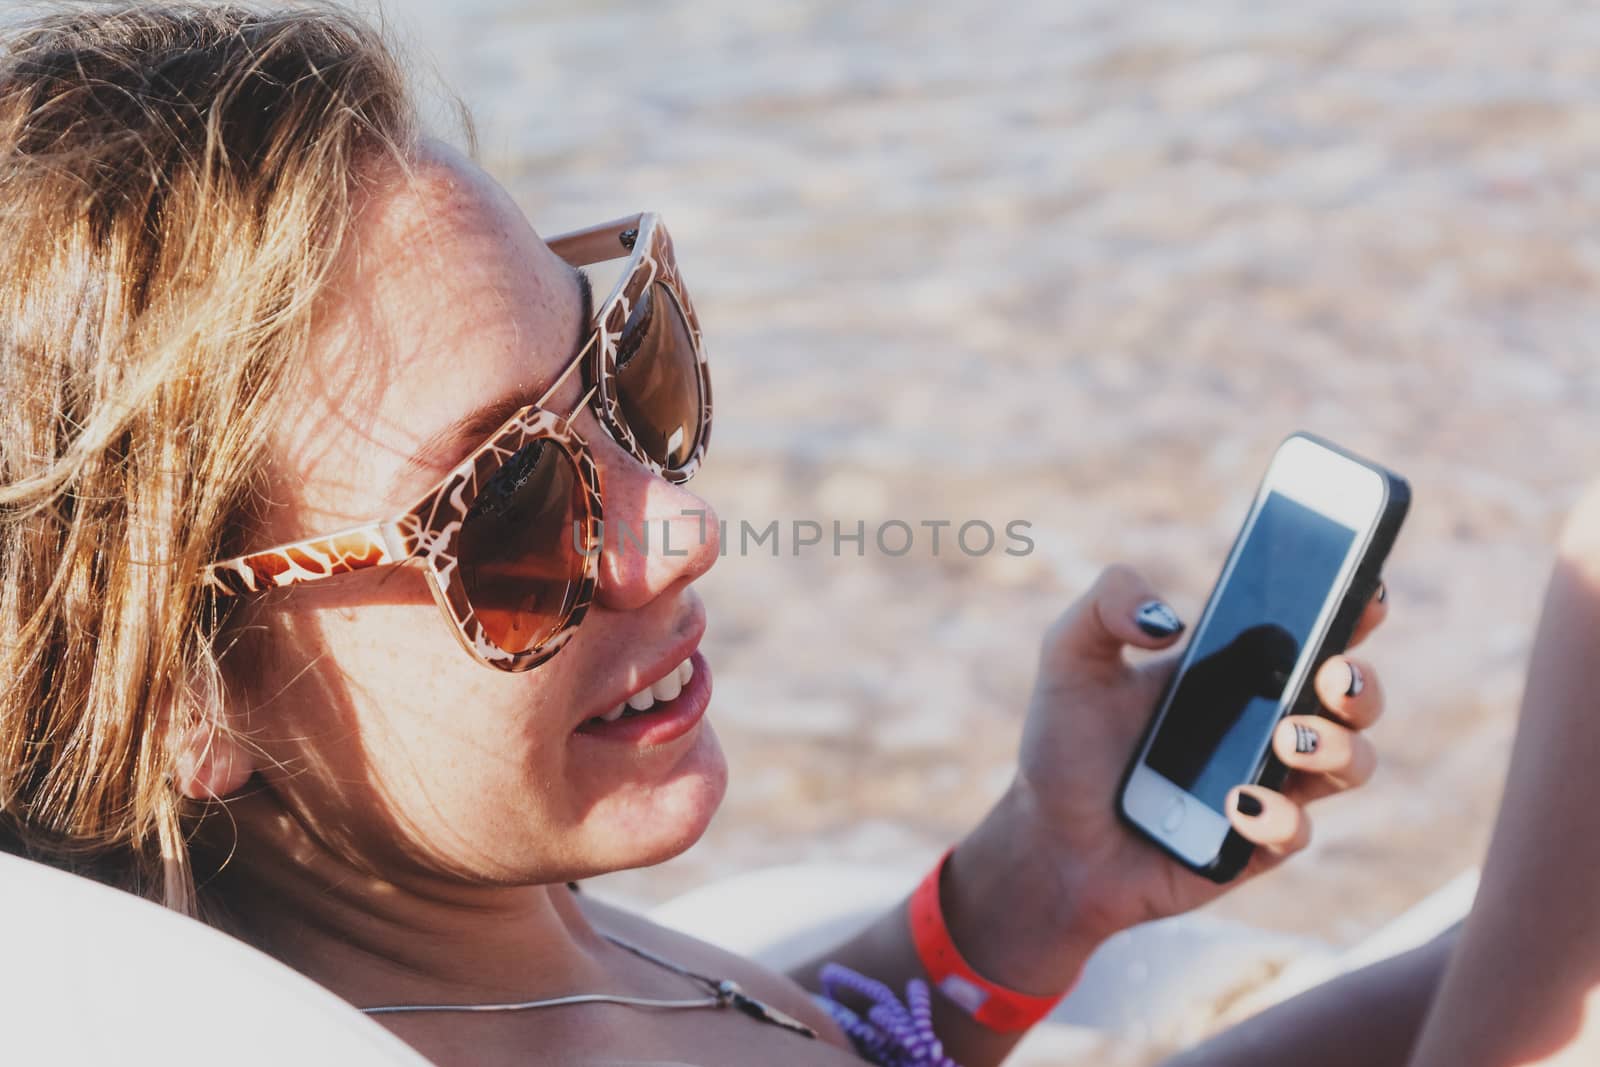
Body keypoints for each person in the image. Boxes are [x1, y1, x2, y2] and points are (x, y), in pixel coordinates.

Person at [0, 6, 1386, 1066]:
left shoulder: (486, 944)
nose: (682, 528)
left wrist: (1033, 888)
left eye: (630, 366)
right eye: (512, 506)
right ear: (181, 692)